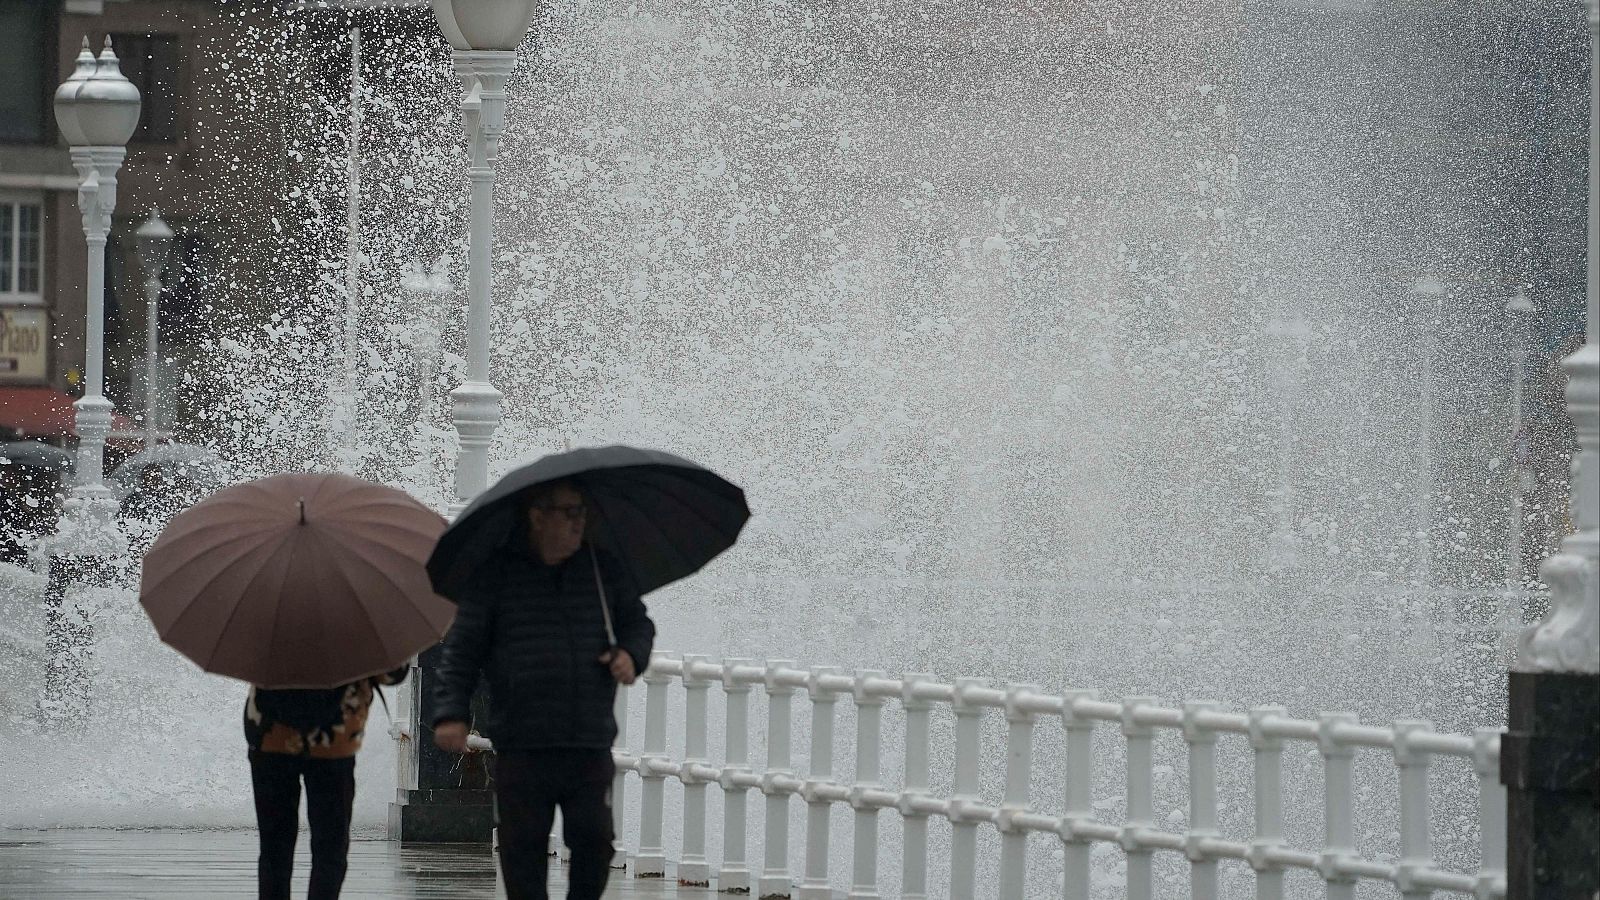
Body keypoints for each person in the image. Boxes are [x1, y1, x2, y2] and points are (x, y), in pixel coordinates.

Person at [432, 480, 656, 900]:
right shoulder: (496, 575)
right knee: (523, 848)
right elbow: (461, 652)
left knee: (594, 839)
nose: (577, 523)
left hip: (586, 736)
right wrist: (450, 714)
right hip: (523, 741)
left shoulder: (600, 569)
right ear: (537, 516)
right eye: (568, 513)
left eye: (581, 514)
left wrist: (631, 653)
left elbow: (638, 624)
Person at [245, 666, 408, 900]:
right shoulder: (357, 628)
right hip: (334, 736)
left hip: (271, 731)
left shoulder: (266, 627)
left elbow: (243, 659)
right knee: (330, 848)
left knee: (274, 846)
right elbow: (392, 673)